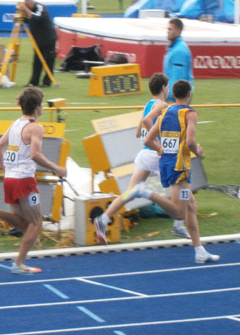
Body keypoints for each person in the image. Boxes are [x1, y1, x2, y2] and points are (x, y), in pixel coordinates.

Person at [120, 80, 219, 264]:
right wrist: (198, 152)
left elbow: (146, 138)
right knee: (180, 212)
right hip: (179, 169)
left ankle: (199, 250)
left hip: (167, 164)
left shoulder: (166, 111)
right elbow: (189, 142)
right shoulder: (190, 114)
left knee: (191, 204)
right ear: (189, 94)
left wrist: (163, 150)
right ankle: (146, 193)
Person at [93, 73, 190, 244]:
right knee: (184, 192)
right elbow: (146, 121)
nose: (168, 89)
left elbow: (138, 131)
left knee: (130, 192)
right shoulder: (162, 105)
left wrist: (149, 138)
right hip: (157, 156)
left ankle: (103, 219)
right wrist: (159, 144)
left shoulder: (148, 104)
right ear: (163, 88)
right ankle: (178, 224)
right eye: (167, 86)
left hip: (145, 155)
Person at [0, 87, 67, 274]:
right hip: (24, 181)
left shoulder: (15, 124)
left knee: (25, 225)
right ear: (37, 107)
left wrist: (7, 169)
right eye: (42, 103)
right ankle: (18, 264)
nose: (43, 107)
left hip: (10, 180)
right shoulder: (35, 127)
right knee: (36, 224)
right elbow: (35, 154)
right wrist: (57, 168)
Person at [16, 0, 57, 88]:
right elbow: (28, 19)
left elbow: (37, 18)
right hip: (38, 40)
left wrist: (25, 9)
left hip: (48, 39)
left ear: (31, 3)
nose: (25, 7)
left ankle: (47, 82)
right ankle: (34, 82)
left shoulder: (40, 7)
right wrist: (19, 16)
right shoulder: (30, 10)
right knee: (36, 62)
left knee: (48, 61)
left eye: (27, 5)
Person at [164, 18, 193, 101]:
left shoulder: (179, 50)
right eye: (167, 29)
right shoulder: (173, 48)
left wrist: (170, 97)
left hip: (177, 98)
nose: (168, 31)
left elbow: (178, 77)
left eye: (170, 29)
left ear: (178, 31)